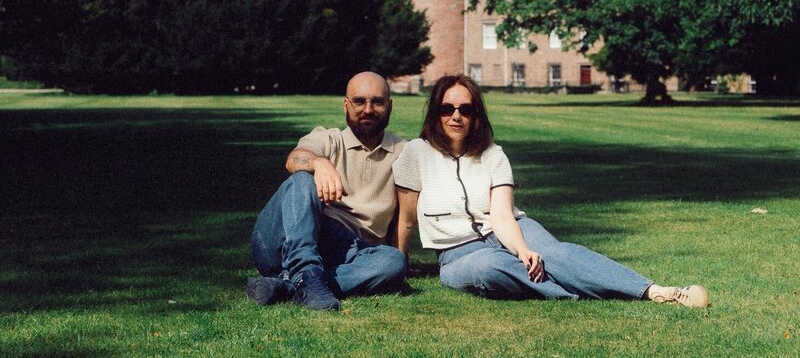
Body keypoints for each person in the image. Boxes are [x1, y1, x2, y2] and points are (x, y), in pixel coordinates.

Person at [392, 74, 708, 308]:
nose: (456, 116)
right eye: (447, 109)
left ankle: (655, 291)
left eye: (466, 109)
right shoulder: (416, 153)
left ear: (476, 115)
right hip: (458, 253)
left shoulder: (492, 153)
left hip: (512, 230)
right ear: (436, 112)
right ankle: (572, 291)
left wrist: (522, 249)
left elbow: (502, 215)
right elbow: (406, 221)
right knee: (491, 268)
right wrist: (399, 267)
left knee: (554, 254)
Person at [247, 71, 407, 311]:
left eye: (377, 101)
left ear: (390, 105)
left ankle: (292, 284)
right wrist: (319, 163)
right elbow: (293, 160)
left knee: (394, 261)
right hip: (289, 240)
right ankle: (304, 270)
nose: (368, 109)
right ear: (346, 104)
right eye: (359, 101)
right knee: (301, 179)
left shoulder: (403, 152)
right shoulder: (328, 139)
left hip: (351, 252)